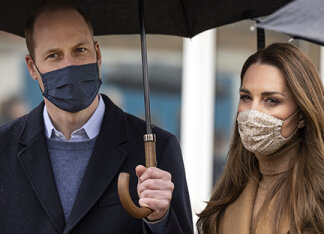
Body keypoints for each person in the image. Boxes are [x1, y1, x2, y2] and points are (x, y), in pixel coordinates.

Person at [0, 2, 193, 234]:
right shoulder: (4, 148)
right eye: (54, 55)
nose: (69, 65)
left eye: (79, 50)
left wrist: (160, 219)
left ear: (98, 54)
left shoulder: (158, 148)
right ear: (32, 67)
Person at [196, 43, 324, 234]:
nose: (253, 111)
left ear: (301, 115)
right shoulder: (225, 201)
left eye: (271, 100)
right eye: (246, 97)